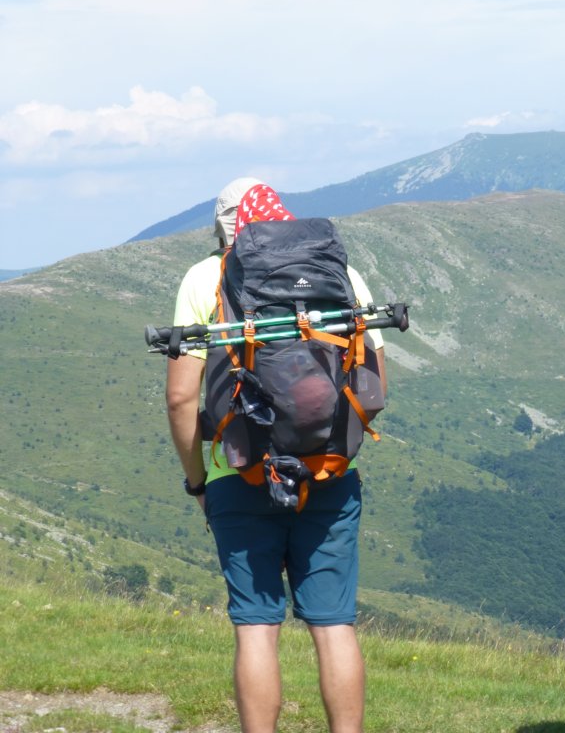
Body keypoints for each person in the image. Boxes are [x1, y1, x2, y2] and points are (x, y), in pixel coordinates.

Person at [165, 177, 385, 733]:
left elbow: (181, 398)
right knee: (334, 626)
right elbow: (375, 384)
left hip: (239, 472)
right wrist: (325, 440)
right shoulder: (340, 271)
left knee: (256, 628)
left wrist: (198, 482)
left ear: (223, 228)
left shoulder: (205, 277)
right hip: (329, 471)